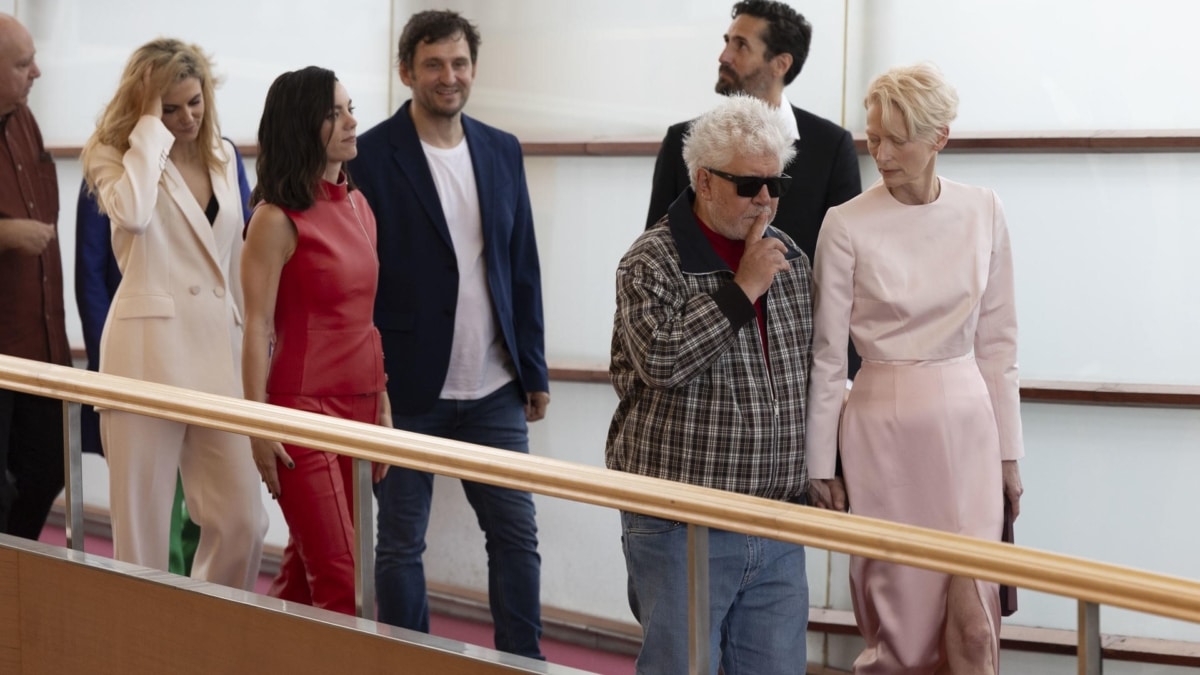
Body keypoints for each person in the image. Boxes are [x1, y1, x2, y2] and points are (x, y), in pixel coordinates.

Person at [806, 63, 1025, 675]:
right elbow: (828, 355)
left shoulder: (984, 210)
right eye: (874, 136)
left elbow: (999, 344)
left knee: (974, 615)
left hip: (970, 424)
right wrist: (820, 462)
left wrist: (1009, 454)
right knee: (900, 616)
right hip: (882, 426)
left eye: (898, 138)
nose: (881, 152)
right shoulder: (845, 222)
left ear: (940, 138)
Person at [348, 9, 549, 659]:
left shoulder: (500, 148)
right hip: (406, 386)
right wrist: (366, 381)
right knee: (402, 541)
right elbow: (359, 277)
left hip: (493, 384)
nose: (449, 76)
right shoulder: (372, 155)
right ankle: (410, 661)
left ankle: (524, 660)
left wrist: (534, 368)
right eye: (433, 63)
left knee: (516, 534)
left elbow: (521, 263)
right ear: (406, 71)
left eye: (459, 63)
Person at [608, 94, 812, 675]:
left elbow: (804, 378)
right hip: (679, 522)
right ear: (703, 180)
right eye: (750, 186)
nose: (767, 200)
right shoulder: (650, 261)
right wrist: (740, 289)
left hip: (776, 520)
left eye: (777, 185)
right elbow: (662, 360)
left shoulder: (789, 258)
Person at [80, 38, 266, 588]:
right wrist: (147, 134)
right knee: (141, 539)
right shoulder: (112, 153)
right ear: (144, 107)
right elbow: (133, 215)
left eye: (195, 102)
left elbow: (234, 258)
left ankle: (202, 635)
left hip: (218, 359)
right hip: (145, 359)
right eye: (169, 107)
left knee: (244, 522)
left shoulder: (225, 155)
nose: (186, 117)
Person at [241, 66, 390, 616]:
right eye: (335, 112)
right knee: (345, 580)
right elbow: (258, 326)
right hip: (299, 412)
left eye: (351, 108)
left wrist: (383, 399)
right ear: (305, 124)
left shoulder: (359, 205)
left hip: (360, 403)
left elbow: (365, 316)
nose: (353, 121)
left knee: (309, 577)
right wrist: (256, 425)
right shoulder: (274, 219)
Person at [646, 0, 861, 260]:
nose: (724, 56)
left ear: (780, 64)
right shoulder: (682, 140)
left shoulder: (831, 146)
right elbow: (655, 251)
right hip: (701, 300)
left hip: (796, 298)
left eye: (741, 45)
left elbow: (843, 257)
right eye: (727, 42)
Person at [0, 13, 69, 541]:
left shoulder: (25, 119)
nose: (37, 72)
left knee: (48, 472)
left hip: (42, 343)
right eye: (24, 64)